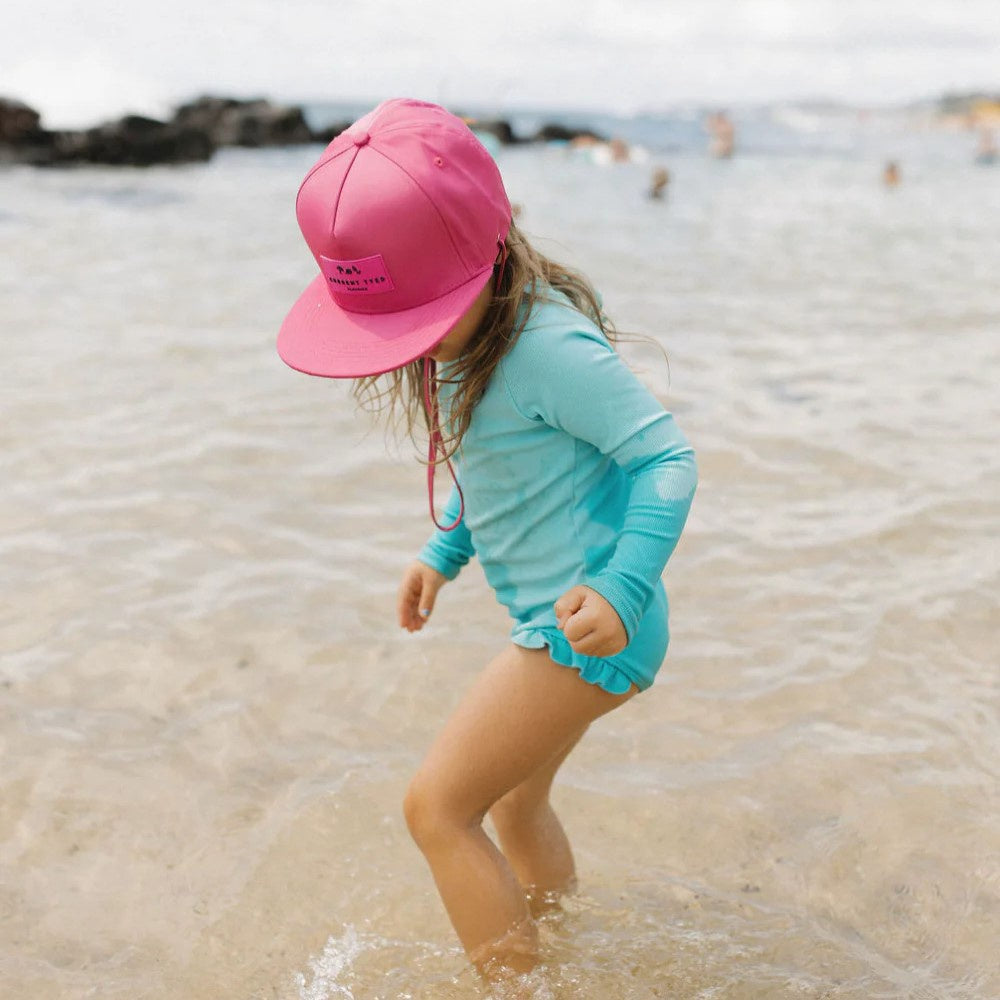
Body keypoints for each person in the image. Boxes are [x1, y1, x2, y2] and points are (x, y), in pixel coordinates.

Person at [276, 98, 697, 984]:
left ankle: (514, 988)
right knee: (511, 808)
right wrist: (443, 555)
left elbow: (664, 455)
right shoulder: (466, 347)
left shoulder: (544, 346)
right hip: (564, 616)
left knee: (435, 808)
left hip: (588, 621)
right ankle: (564, 959)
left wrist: (621, 588)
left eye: (417, 320)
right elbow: (504, 473)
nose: (408, 347)